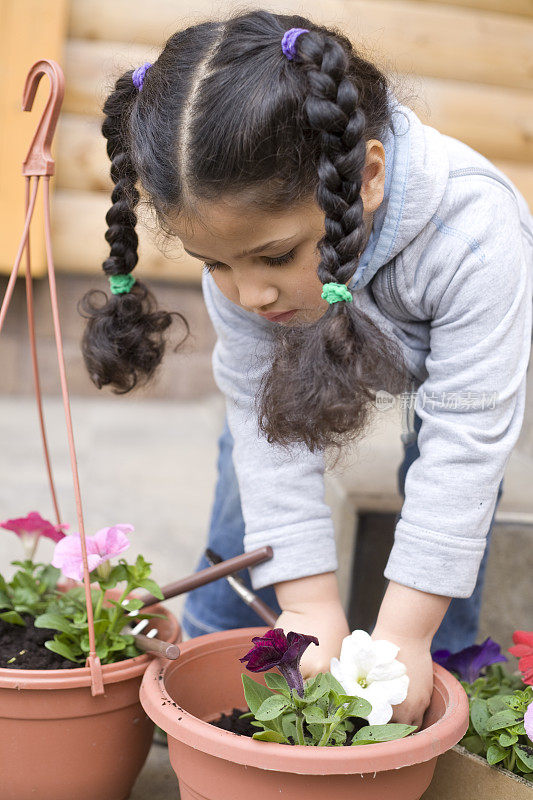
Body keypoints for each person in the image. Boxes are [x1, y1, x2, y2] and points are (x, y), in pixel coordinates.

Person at [79, 11, 533, 728]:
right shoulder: (243, 269)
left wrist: (402, 638)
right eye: (213, 264)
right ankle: (212, 660)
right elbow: (271, 446)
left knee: (439, 467)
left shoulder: (475, 233)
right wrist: (306, 603)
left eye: (274, 256)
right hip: (318, 340)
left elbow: (464, 447)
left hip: (453, 373)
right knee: (248, 457)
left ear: (369, 179)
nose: (247, 294)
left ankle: (440, 672)